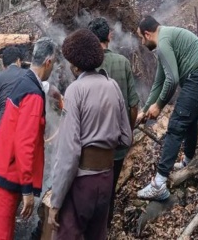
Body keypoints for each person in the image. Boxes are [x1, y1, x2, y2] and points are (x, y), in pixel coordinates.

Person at [48, 29, 133, 240]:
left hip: (82, 181)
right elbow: (126, 137)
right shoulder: (112, 86)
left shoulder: (75, 90)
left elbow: (69, 153)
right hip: (106, 177)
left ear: (76, 66)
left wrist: (55, 202)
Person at [134, 17, 198, 201]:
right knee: (189, 121)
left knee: (176, 124)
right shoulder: (166, 38)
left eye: (141, 38)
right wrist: (145, 109)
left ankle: (158, 184)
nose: (142, 43)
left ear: (147, 34)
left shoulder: (163, 42)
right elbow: (159, 82)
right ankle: (188, 161)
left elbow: (172, 80)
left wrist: (159, 105)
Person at [0, 38, 57, 240]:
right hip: (6, 178)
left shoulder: (25, 81)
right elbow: (25, 143)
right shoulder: (33, 94)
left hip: (0, 170)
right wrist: (27, 189)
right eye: (54, 64)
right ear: (48, 62)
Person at [87, 17, 140, 225]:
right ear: (109, 36)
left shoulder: (86, 65)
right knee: (110, 187)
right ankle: (105, 224)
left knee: (90, 187)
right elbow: (133, 105)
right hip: (117, 142)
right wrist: (129, 130)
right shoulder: (122, 62)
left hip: (92, 144)